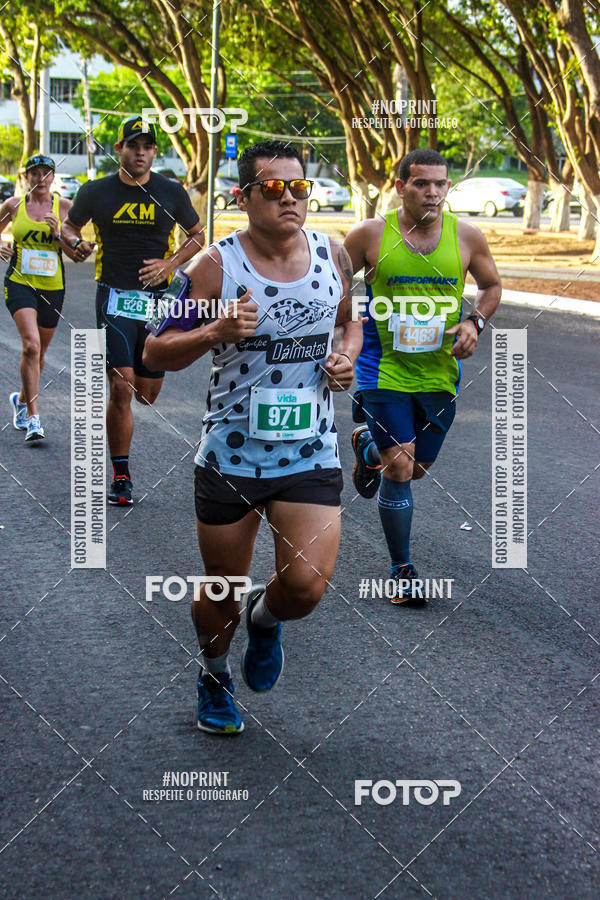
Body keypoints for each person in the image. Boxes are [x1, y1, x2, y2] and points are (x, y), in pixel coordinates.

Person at [143, 139, 361, 734]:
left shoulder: (332, 255)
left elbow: (349, 324)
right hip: (232, 453)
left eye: (299, 188)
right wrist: (215, 328)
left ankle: (266, 624)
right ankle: (214, 675)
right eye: (273, 188)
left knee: (306, 586)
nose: (289, 198)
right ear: (243, 197)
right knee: (222, 590)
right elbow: (155, 349)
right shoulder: (215, 266)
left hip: (309, 449)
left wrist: (344, 358)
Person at [344, 148, 501, 605]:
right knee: (400, 466)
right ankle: (401, 570)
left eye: (440, 184)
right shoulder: (370, 235)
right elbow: (335, 285)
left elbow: (491, 286)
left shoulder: (467, 237)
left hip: (438, 372)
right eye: (421, 183)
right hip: (382, 367)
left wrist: (475, 323)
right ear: (400, 187)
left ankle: (365, 446)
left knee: (418, 469)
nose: (432, 192)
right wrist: (350, 336)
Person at [61, 115, 204, 505]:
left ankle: (124, 451)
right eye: (133, 145)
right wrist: (74, 244)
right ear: (120, 149)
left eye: (147, 147)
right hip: (113, 297)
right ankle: (121, 475)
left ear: (154, 152)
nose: (140, 153)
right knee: (121, 385)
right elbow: (69, 227)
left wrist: (170, 264)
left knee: (147, 394)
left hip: (158, 302)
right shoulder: (96, 191)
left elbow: (198, 235)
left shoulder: (171, 192)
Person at [1, 154, 78, 441]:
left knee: (40, 353)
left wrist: (58, 235)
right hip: (19, 282)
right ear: (27, 177)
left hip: (53, 286)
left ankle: (21, 399)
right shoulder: (13, 205)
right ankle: (33, 417)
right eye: (35, 173)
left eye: (46, 173)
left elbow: (76, 253)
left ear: (53, 177)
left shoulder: (65, 207)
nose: (41, 178)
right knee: (31, 346)